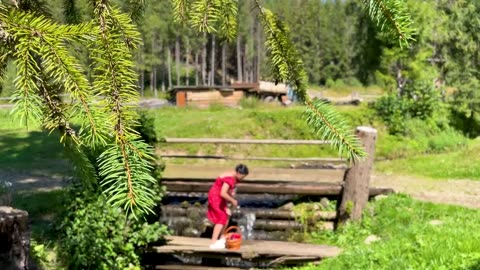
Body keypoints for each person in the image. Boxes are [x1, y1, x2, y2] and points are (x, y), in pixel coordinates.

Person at [207, 164, 249, 249]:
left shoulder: (232, 174)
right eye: (242, 177)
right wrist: (232, 200)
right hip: (216, 197)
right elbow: (222, 193)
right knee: (221, 218)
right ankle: (213, 242)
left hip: (220, 197)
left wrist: (230, 193)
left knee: (227, 215)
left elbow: (225, 189)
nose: (242, 179)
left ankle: (222, 237)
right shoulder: (230, 178)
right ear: (239, 173)